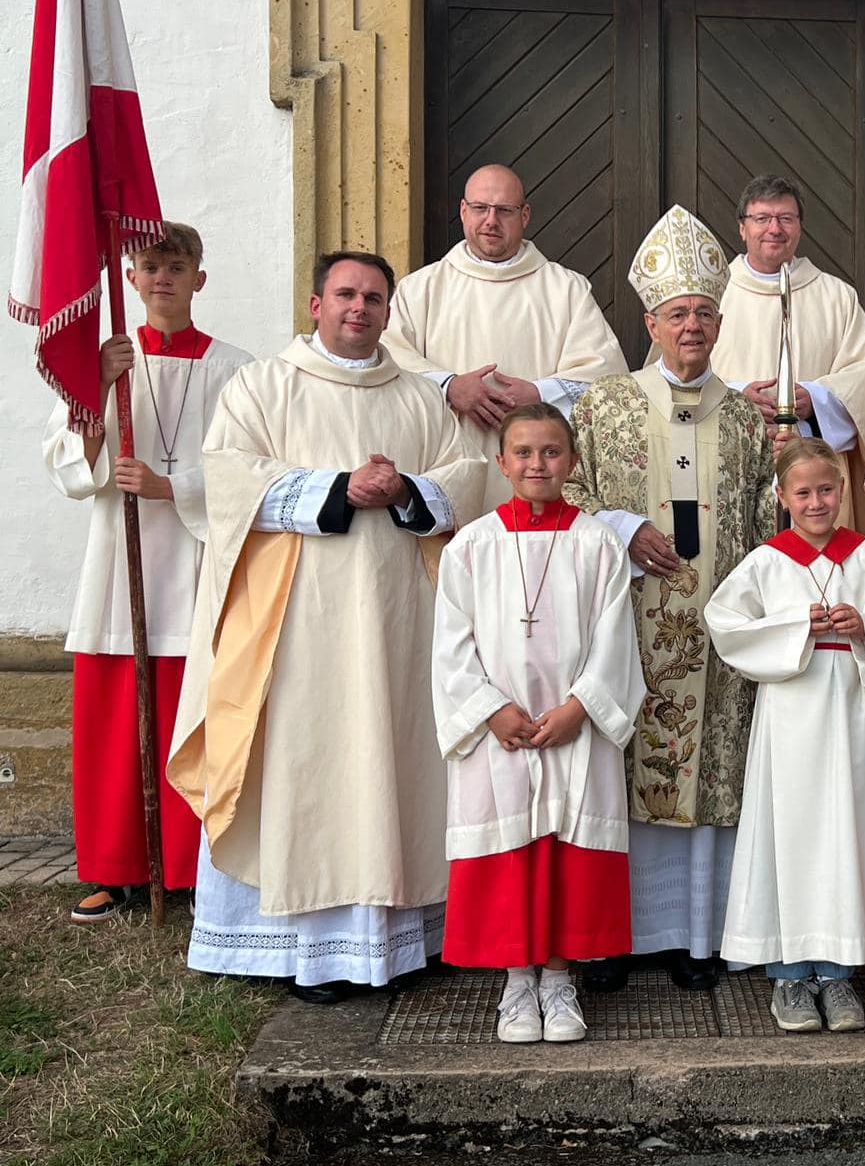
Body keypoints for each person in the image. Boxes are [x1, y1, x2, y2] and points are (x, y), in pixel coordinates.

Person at [168, 251, 485, 1001]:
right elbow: (228, 477)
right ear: (315, 303)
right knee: (310, 769)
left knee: (393, 758)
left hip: (399, 622)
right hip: (297, 627)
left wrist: (407, 488)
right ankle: (309, 953)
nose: (359, 308)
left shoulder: (417, 396)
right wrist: (339, 487)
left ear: (388, 311)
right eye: (345, 294)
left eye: (374, 298)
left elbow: (465, 477)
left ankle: (402, 938)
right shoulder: (265, 385)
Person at [564, 205, 777, 992]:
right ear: (650, 321)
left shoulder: (751, 423)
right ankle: (615, 937)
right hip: (630, 624)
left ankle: (696, 936)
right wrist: (621, 529)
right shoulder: (604, 405)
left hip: (717, 633)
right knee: (622, 768)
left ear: (721, 323)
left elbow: (764, 524)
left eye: (705, 313)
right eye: (678, 312)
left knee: (710, 772)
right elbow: (572, 495)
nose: (693, 325)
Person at [42, 222, 252, 922]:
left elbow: (251, 469)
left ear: (199, 278)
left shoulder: (237, 370)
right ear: (129, 278)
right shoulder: (105, 364)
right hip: (119, 564)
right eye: (149, 265)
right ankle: (115, 868)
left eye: (176, 265)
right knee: (114, 725)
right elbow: (71, 467)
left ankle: (192, 870)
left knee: (192, 717)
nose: (162, 277)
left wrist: (176, 488)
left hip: (195, 561)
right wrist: (96, 399)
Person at [433, 403, 644, 1044]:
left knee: (567, 852)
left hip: (571, 724)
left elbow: (616, 638)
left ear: (572, 462)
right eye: (522, 452)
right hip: (503, 729)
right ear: (501, 463)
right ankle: (517, 982)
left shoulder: (597, 542)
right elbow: (450, 644)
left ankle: (560, 978)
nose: (536, 464)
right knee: (512, 849)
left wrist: (583, 707)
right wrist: (489, 710)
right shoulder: (472, 544)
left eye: (551, 452)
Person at [706, 438, 865, 1033]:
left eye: (826, 489)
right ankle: (789, 976)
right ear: (781, 497)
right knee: (790, 835)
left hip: (852, 712)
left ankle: (837, 973)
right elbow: (725, 625)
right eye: (802, 492)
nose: (816, 502)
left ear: (844, 490)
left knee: (845, 834)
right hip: (790, 715)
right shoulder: (766, 562)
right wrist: (794, 626)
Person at [383, 163, 627, 506]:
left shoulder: (566, 289)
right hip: (447, 471)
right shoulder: (421, 289)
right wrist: (449, 386)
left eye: (504, 210)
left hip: (541, 475)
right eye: (480, 208)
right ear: (463, 211)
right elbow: (387, 366)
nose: (491, 221)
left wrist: (541, 394)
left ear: (525, 215)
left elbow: (607, 382)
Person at [708, 174, 865, 533]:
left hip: (814, 473)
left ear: (800, 227)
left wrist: (816, 400)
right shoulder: (711, 295)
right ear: (743, 228)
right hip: (728, 463)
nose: (774, 228)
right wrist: (735, 399)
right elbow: (674, 375)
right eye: (762, 218)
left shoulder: (836, 297)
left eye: (786, 218)